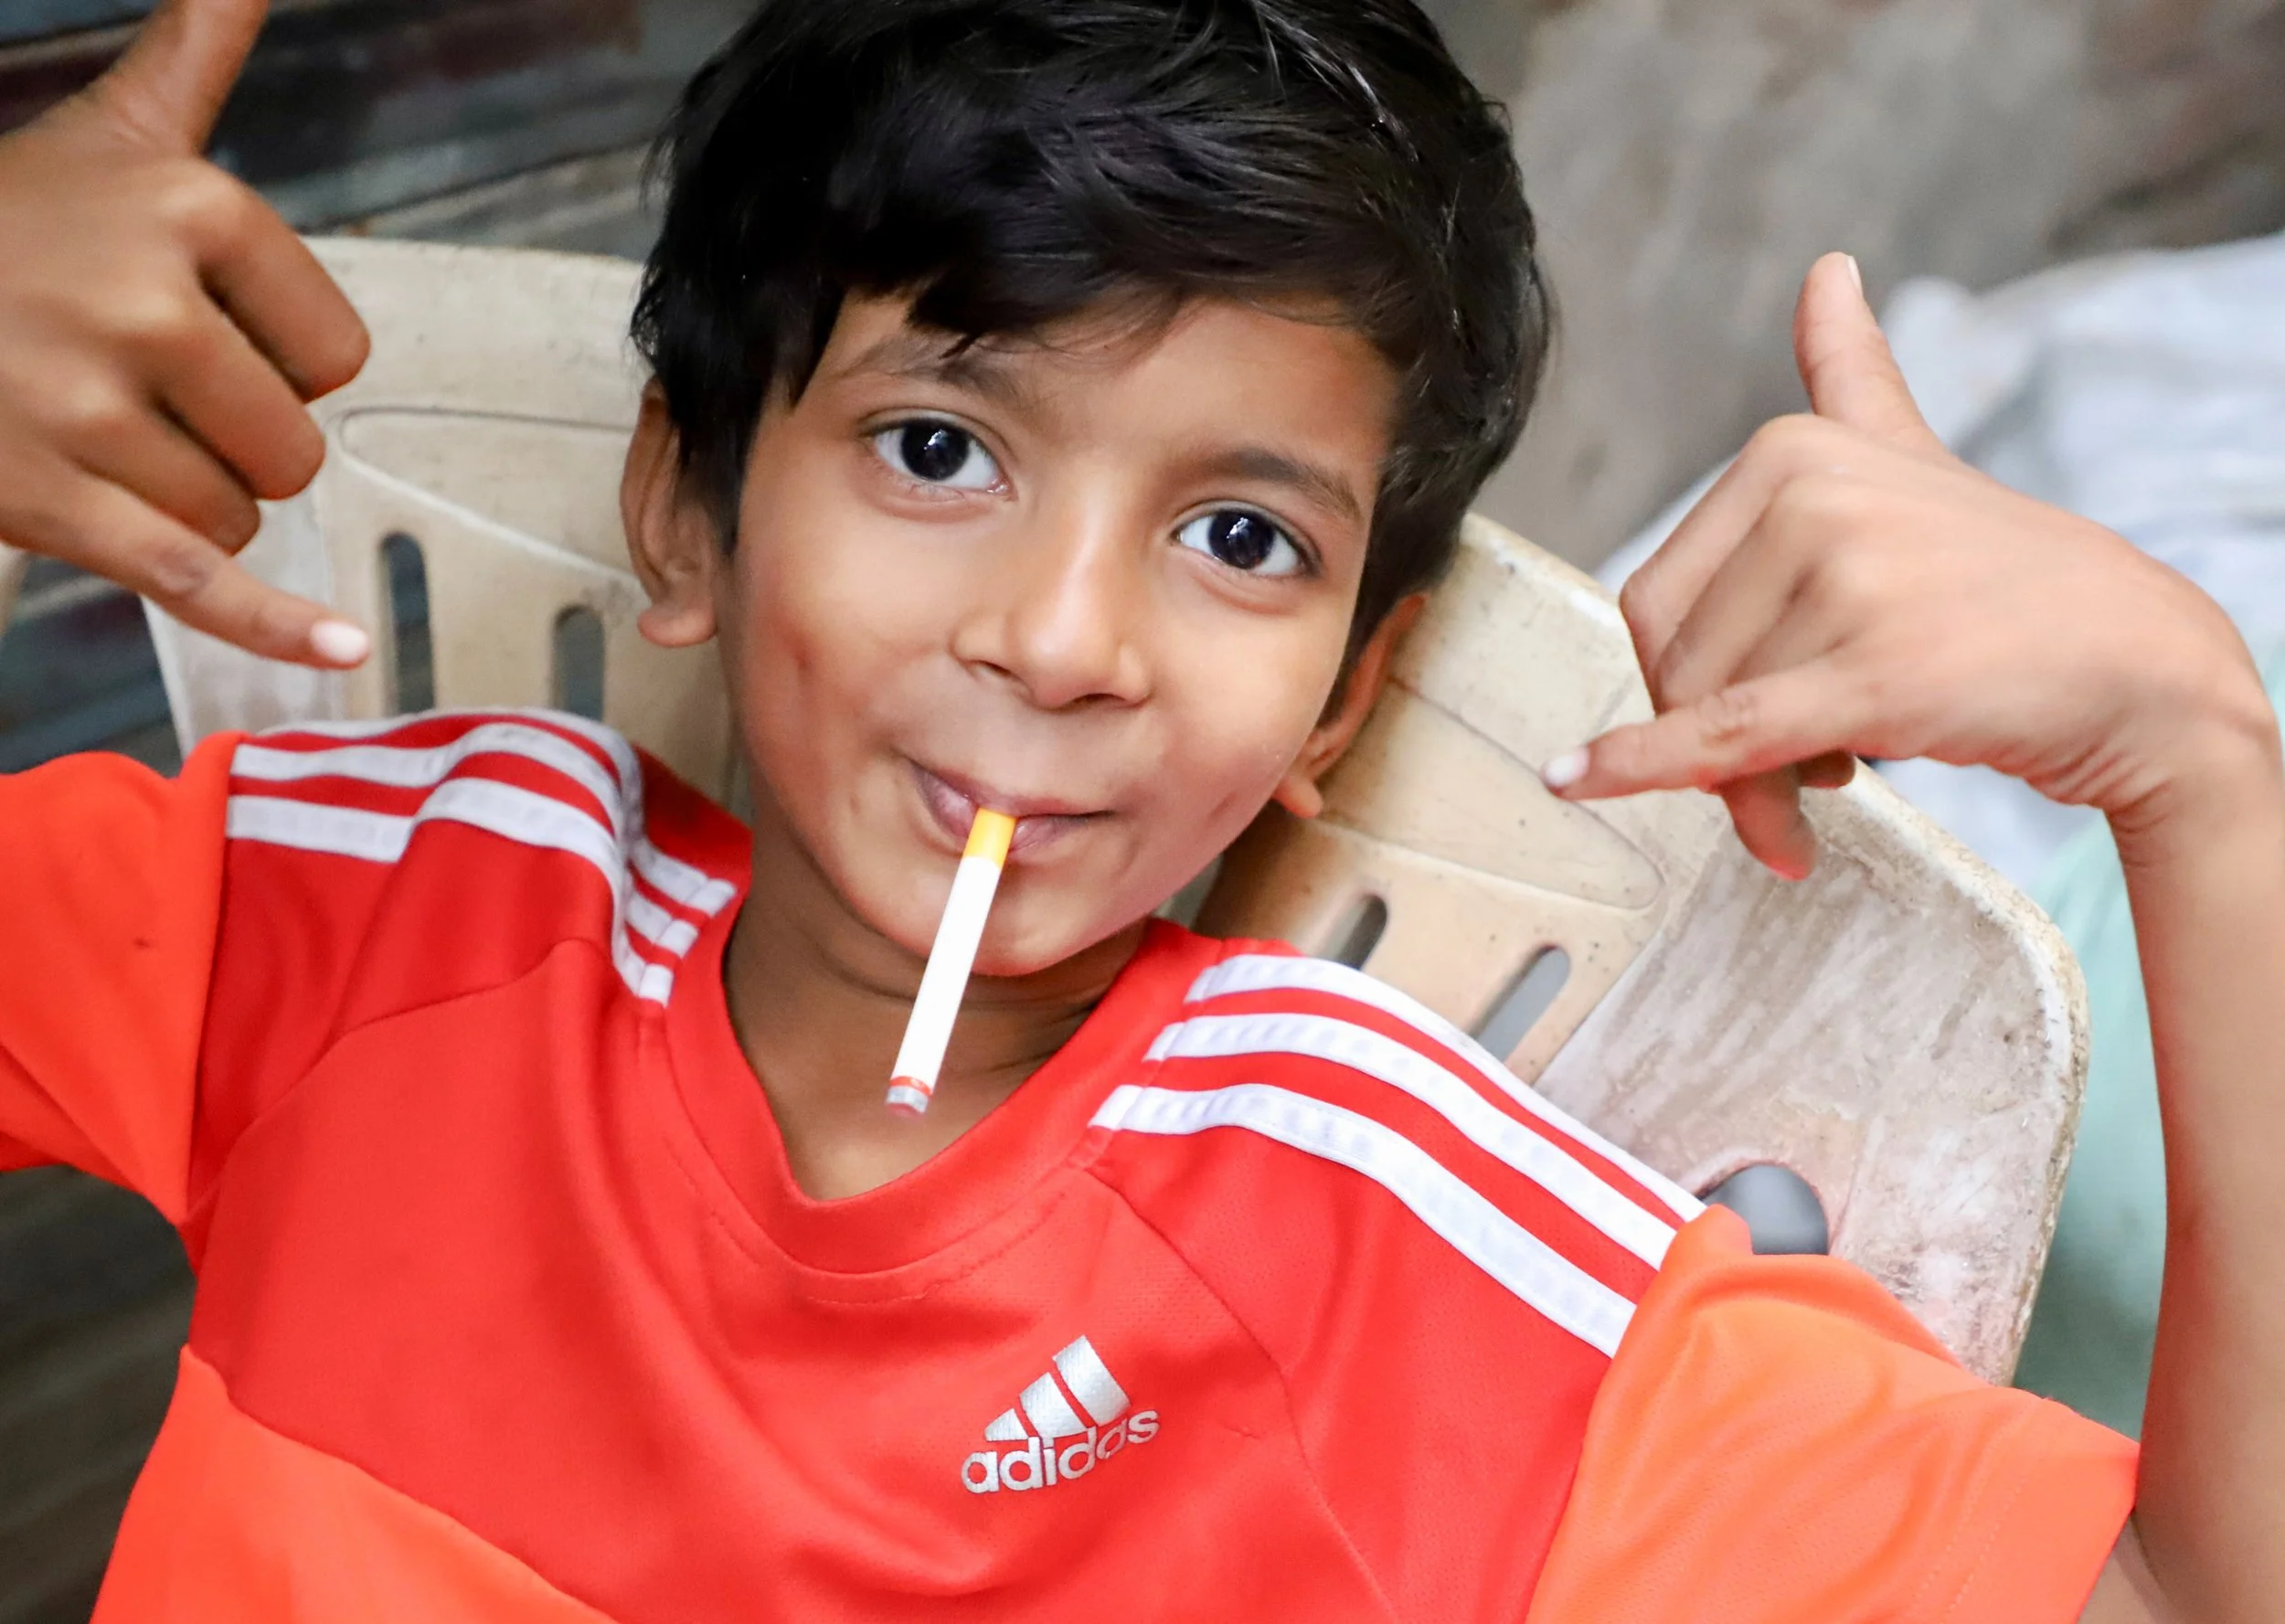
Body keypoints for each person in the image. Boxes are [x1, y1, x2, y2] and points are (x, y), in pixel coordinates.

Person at [0, 0, 2277, 1619]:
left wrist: (2199, 769)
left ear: (1339, 702)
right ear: (685, 511)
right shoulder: (348, 919)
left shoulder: (1415, 1272)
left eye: (1239, 539)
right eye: (936, 448)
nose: (1064, 636)